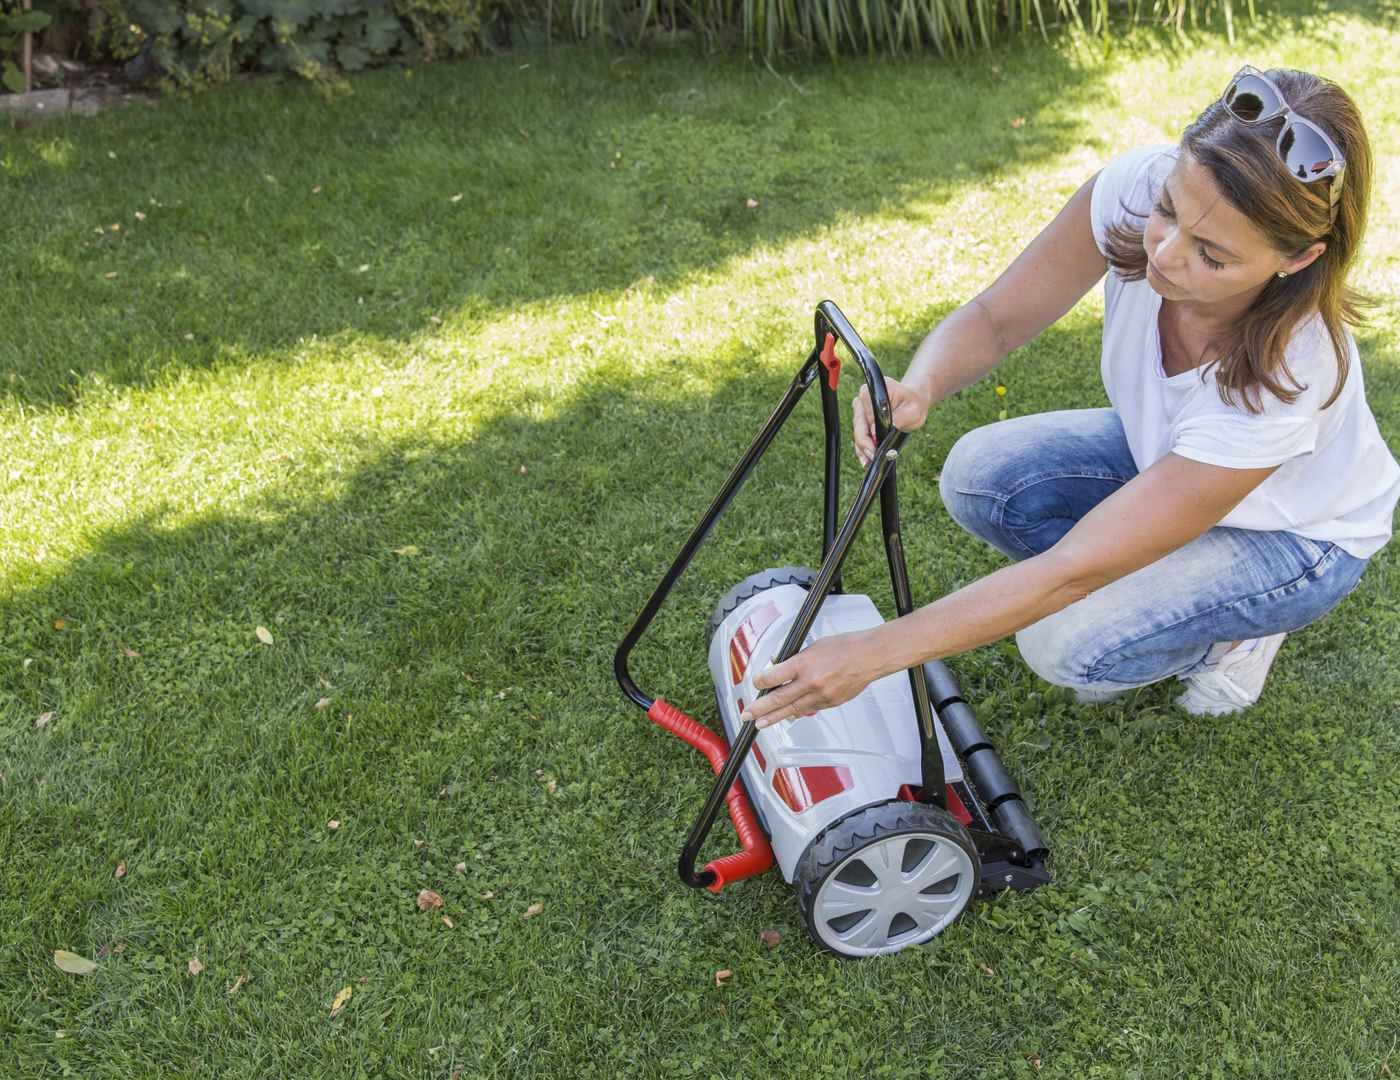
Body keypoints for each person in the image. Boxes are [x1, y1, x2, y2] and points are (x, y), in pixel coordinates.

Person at [742, 65, 1399, 726]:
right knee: (979, 476)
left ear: (1297, 259)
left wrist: (873, 654)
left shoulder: (1292, 374)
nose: (1166, 253)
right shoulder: (1139, 187)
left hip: (1296, 536)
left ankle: (1230, 638)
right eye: (1169, 210)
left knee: (1062, 641)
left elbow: (1072, 571)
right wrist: (921, 383)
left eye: (1212, 256)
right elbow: (996, 318)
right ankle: (1161, 572)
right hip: (1174, 459)